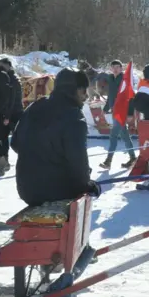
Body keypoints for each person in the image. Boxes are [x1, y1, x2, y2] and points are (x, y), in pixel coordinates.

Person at [10, 68, 101, 207]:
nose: (86, 97)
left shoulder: (35, 106)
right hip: (57, 191)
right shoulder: (74, 116)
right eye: (84, 91)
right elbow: (78, 161)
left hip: (26, 189)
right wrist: (88, 185)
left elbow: (15, 143)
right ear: (76, 90)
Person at [99, 60, 137, 170]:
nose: (115, 69)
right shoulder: (110, 79)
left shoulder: (125, 79)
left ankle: (108, 161)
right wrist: (106, 108)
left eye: (117, 67)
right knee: (125, 136)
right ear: (111, 68)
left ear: (121, 68)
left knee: (113, 135)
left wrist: (130, 113)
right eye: (113, 67)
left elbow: (130, 96)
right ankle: (133, 158)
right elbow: (110, 95)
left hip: (122, 111)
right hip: (114, 110)